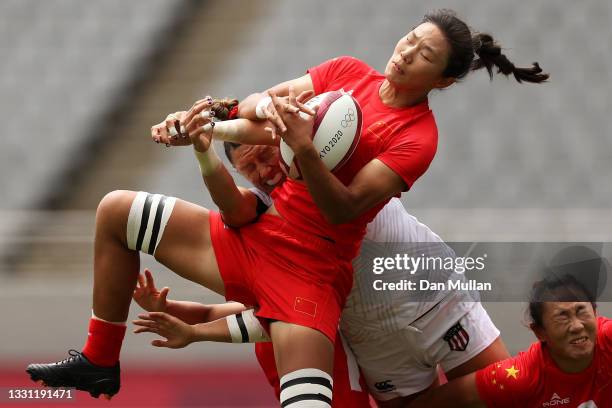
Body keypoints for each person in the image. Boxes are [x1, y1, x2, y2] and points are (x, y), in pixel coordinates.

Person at [26, 9, 547, 406]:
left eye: (425, 55)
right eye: (410, 39)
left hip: (333, 275)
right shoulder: (345, 73)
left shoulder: (417, 138)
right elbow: (262, 108)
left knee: (505, 395)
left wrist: (300, 147)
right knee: (116, 210)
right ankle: (99, 360)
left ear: (443, 81)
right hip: (281, 257)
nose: (407, 53)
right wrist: (210, 124)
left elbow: (343, 210)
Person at [131, 139, 508, 407]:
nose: (264, 171)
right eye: (249, 168)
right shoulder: (256, 220)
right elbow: (272, 316)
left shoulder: (330, 157)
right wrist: (185, 316)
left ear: (278, 139)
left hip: (436, 299)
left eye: (265, 155)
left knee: (510, 394)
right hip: (373, 341)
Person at [409, 274, 612, 407]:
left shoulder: (608, 339)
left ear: (595, 313)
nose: (576, 326)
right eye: (562, 317)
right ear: (540, 332)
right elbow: (437, 401)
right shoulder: (519, 377)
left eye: (582, 312)